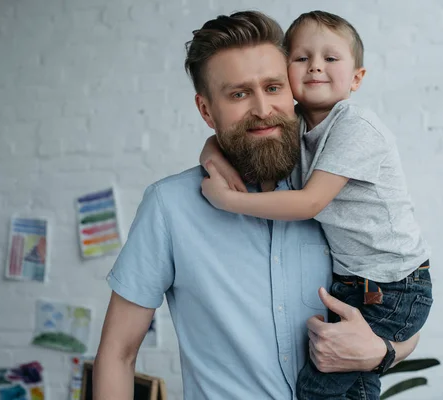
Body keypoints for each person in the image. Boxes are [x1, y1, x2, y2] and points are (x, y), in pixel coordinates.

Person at [94, 11, 419, 400]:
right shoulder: (170, 207)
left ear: (294, 92)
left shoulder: (337, 193)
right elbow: (117, 353)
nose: (263, 109)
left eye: (273, 87)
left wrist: (380, 353)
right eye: (239, 94)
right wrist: (214, 151)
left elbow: (405, 322)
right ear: (206, 110)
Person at [199, 10, 433, 400]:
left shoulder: (355, 126)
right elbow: (235, 134)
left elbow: (310, 202)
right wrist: (212, 151)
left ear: (357, 78)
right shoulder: (299, 125)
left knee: (321, 386)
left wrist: (230, 200)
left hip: (393, 283)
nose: (315, 68)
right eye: (302, 58)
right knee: (348, 382)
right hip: (356, 280)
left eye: (331, 58)